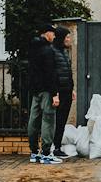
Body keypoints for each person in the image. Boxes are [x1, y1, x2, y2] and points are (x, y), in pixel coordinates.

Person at [24, 25, 61, 165]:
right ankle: (46, 153)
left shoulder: (33, 48)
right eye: (53, 33)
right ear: (47, 33)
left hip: (35, 90)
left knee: (33, 120)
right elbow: (50, 73)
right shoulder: (48, 50)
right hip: (46, 90)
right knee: (48, 120)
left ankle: (34, 152)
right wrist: (54, 93)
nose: (55, 36)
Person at [51, 26, 75, 158]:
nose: (69, 39)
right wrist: (55, 93)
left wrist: (72, 89)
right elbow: (53, 74)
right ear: (61, 38)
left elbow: (68, 72)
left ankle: (57, 147)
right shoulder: (53, 52)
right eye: (67, 37)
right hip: (59, 92)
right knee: (56, 120)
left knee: (62, 120)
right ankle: (51, 147)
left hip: (67, 91)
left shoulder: (64, 53)